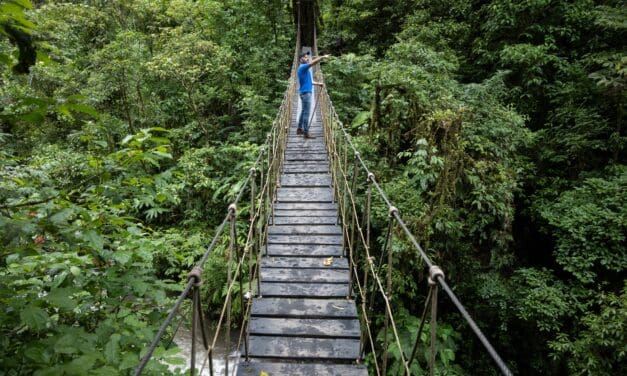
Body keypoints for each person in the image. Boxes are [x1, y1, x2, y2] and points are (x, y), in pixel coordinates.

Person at [297, 52, 330, 139]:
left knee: (303, 111)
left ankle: (299, 129)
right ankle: (306, 133)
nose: (307, 59)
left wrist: (318, 83)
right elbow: (313, 63)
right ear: (301, 59)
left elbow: (309, 82)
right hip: (306, 93)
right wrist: (322, 57)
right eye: (305, 57)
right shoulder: (303, 67)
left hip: (303, 92)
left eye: (307, 57)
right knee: (306, 113)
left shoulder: (303, 69)